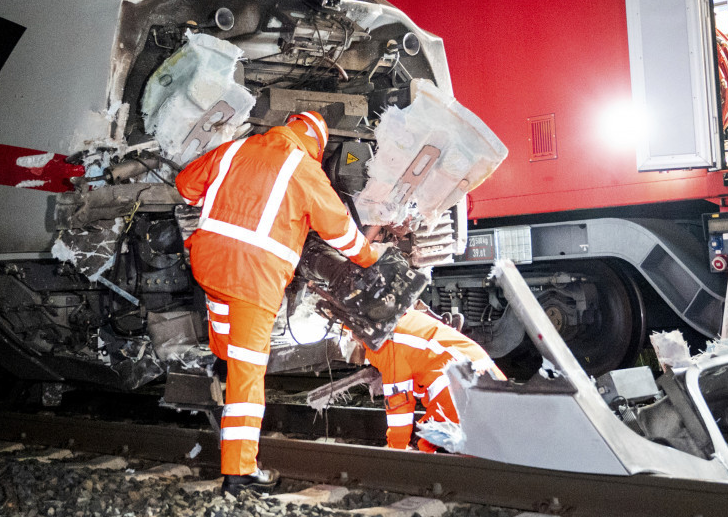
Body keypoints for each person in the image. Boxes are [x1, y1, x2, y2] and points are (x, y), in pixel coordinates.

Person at [175, 110, 378, 496]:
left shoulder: (235, 149)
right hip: (253, 280)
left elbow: (185, 186)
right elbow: (339, 230)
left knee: (222, 323)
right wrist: (370, 259)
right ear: (316, 145)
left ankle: (220, 361)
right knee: (248, 375)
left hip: (209, 265)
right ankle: (239, 473)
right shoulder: (303, 168)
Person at [363, 305, 505, 452]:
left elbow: (399, 404)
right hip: (491, 380)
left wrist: (395, 450)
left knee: (426, 450)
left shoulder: (387, 344)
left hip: (462, 392)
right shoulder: (408, 320)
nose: (352, 339)